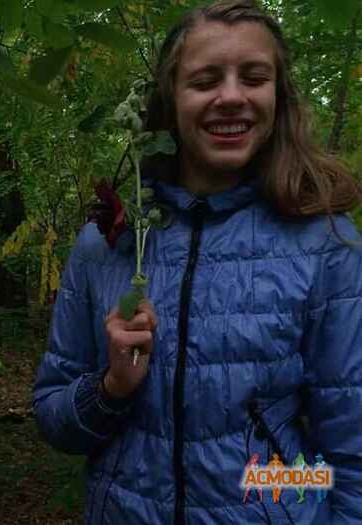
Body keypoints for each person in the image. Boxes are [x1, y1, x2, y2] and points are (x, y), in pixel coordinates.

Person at [31, 1, 362, 524]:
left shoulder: (324, 244)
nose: (231, 97)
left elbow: (349, 447)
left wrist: (272, 495)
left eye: (253, 77)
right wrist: (111, 390)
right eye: (205, 80)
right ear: (170, 99)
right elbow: (54, 419)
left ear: (278, 96)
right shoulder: (110, 241)